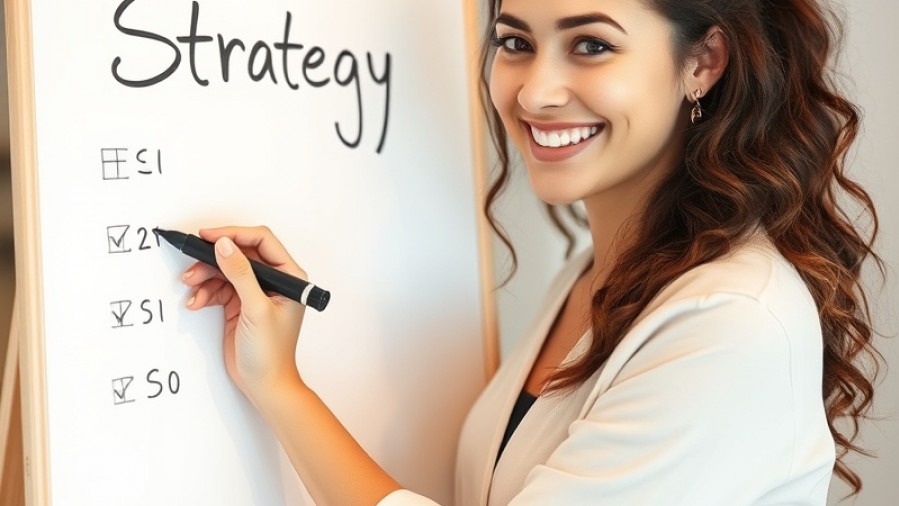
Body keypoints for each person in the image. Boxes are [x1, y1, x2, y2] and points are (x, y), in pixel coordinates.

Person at [181, 0, 882, 504]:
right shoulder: (597, 272)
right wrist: (273, 381)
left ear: (701, 62)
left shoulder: (729, 321)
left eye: (590, 45)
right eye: (515, 41)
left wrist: (284, 389)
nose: (537, 92)